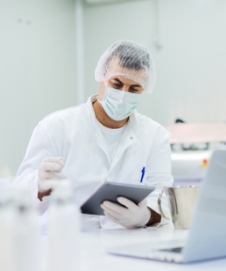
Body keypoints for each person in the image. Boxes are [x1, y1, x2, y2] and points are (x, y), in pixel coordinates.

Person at [14, 40, 173, 230]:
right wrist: (38, 184)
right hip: (65, 242)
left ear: (144, 89)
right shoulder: (56, 126)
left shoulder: (155, 136)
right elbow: (18, 199)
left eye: (133, 89)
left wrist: (144, 217)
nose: (123, 95)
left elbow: (164, 201)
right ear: (102, 77)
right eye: (117, 83)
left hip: (126, 248)